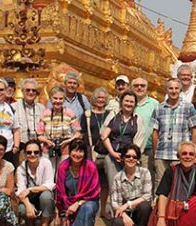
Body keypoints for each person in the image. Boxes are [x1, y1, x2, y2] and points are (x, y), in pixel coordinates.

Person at [151, 78, 196, 190]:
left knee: (179, 185)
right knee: (160, 185)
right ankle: (160, 207)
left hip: (180, 154)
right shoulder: (159, 107)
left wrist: (193, 152)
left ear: (180, 90)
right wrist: (155, 154)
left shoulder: (188, 107)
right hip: (162, 153)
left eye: (176, 88)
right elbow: (155, 132)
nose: (173, 91)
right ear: (166, 90)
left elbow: (194, 130)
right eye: (171, 88)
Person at [55, 140, 100, 226]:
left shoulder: (91, 167)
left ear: (85, 153)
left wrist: (78, 203)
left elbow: (94, 192)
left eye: (81, 151)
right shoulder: (63, 167)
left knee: (87, 208)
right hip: (68, 205)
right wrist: (61, 214)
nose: (77, 154)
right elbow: (61, 193)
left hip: (89, 201)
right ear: (70, 152)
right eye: (74, 151)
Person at [100, 90, 145, 191]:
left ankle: (128, 207)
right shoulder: (114, 115)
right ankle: (116, 207)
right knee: (114, 187)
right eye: (126, 101)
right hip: (113, 156)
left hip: (130, 158)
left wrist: (129, 156)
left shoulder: (138, 119)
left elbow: (138, 141)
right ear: (121, 102)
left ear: (135, 104)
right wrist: (112, 153)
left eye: (131, 102)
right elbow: (104, 136)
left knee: (129, 187)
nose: (128, 104)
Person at [110, 144, 153, 226]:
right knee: (116, 222)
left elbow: (147, 196)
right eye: (128, 156)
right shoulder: (117, 177)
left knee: (145, 206)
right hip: (127, 213)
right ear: (123, 158)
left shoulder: (145, 172)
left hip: (140, 212)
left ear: (137, 159)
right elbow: (115, 203)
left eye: (134, 157)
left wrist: (127, 204)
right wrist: (124, 216)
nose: (131, 159)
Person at [80, 87, 111, 218]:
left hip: (106, 150)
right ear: (94, 99)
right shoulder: (87, 114)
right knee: (90, 182)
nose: (100, 100)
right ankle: (90, 208)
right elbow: (82, 133)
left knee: (105, 183)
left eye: (103, 98)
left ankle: (103, 209)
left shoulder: (110, 114)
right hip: (90, 150)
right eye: (98, 97)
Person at [16, 140, 55, 226]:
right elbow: (21, 191)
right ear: (25, 154)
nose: (32, 155)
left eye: (36, 152)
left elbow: (49, 184)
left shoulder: (46, 163)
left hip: (42, 196)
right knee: (22, 208)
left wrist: (30, 189)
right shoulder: (21, 168)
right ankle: (29, 224)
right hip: (30, 199)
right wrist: (28, 205)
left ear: (40, 153)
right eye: (29, 152)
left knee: (46, 196)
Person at [37, 85, 81, 170]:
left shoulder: (69, 112)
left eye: (60, 99)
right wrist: (47, 141)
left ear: (64, 100)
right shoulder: (45, 113)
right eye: (55, 98)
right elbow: (39, 135)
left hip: (65, 149)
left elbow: (78, 132)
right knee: (48, 174)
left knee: (62, 174)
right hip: (48, 149)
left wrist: (68, 141)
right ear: (50, 99)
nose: (58, 101)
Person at [13, 78, 45, 165]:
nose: (31, 92)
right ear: (22, 91)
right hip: (21, 149)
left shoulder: (41, 108)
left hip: (37, 149)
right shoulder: (14, 107)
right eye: (28, 90)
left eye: (33, 90)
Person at [132, 77, 159, 175]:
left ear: (147, 88)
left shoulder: (154, 104)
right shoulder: (129, 103)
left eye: (142, 86)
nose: (139, 88)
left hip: (149, 149)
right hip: (132, 149)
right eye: (136, 86)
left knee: (148, 179)